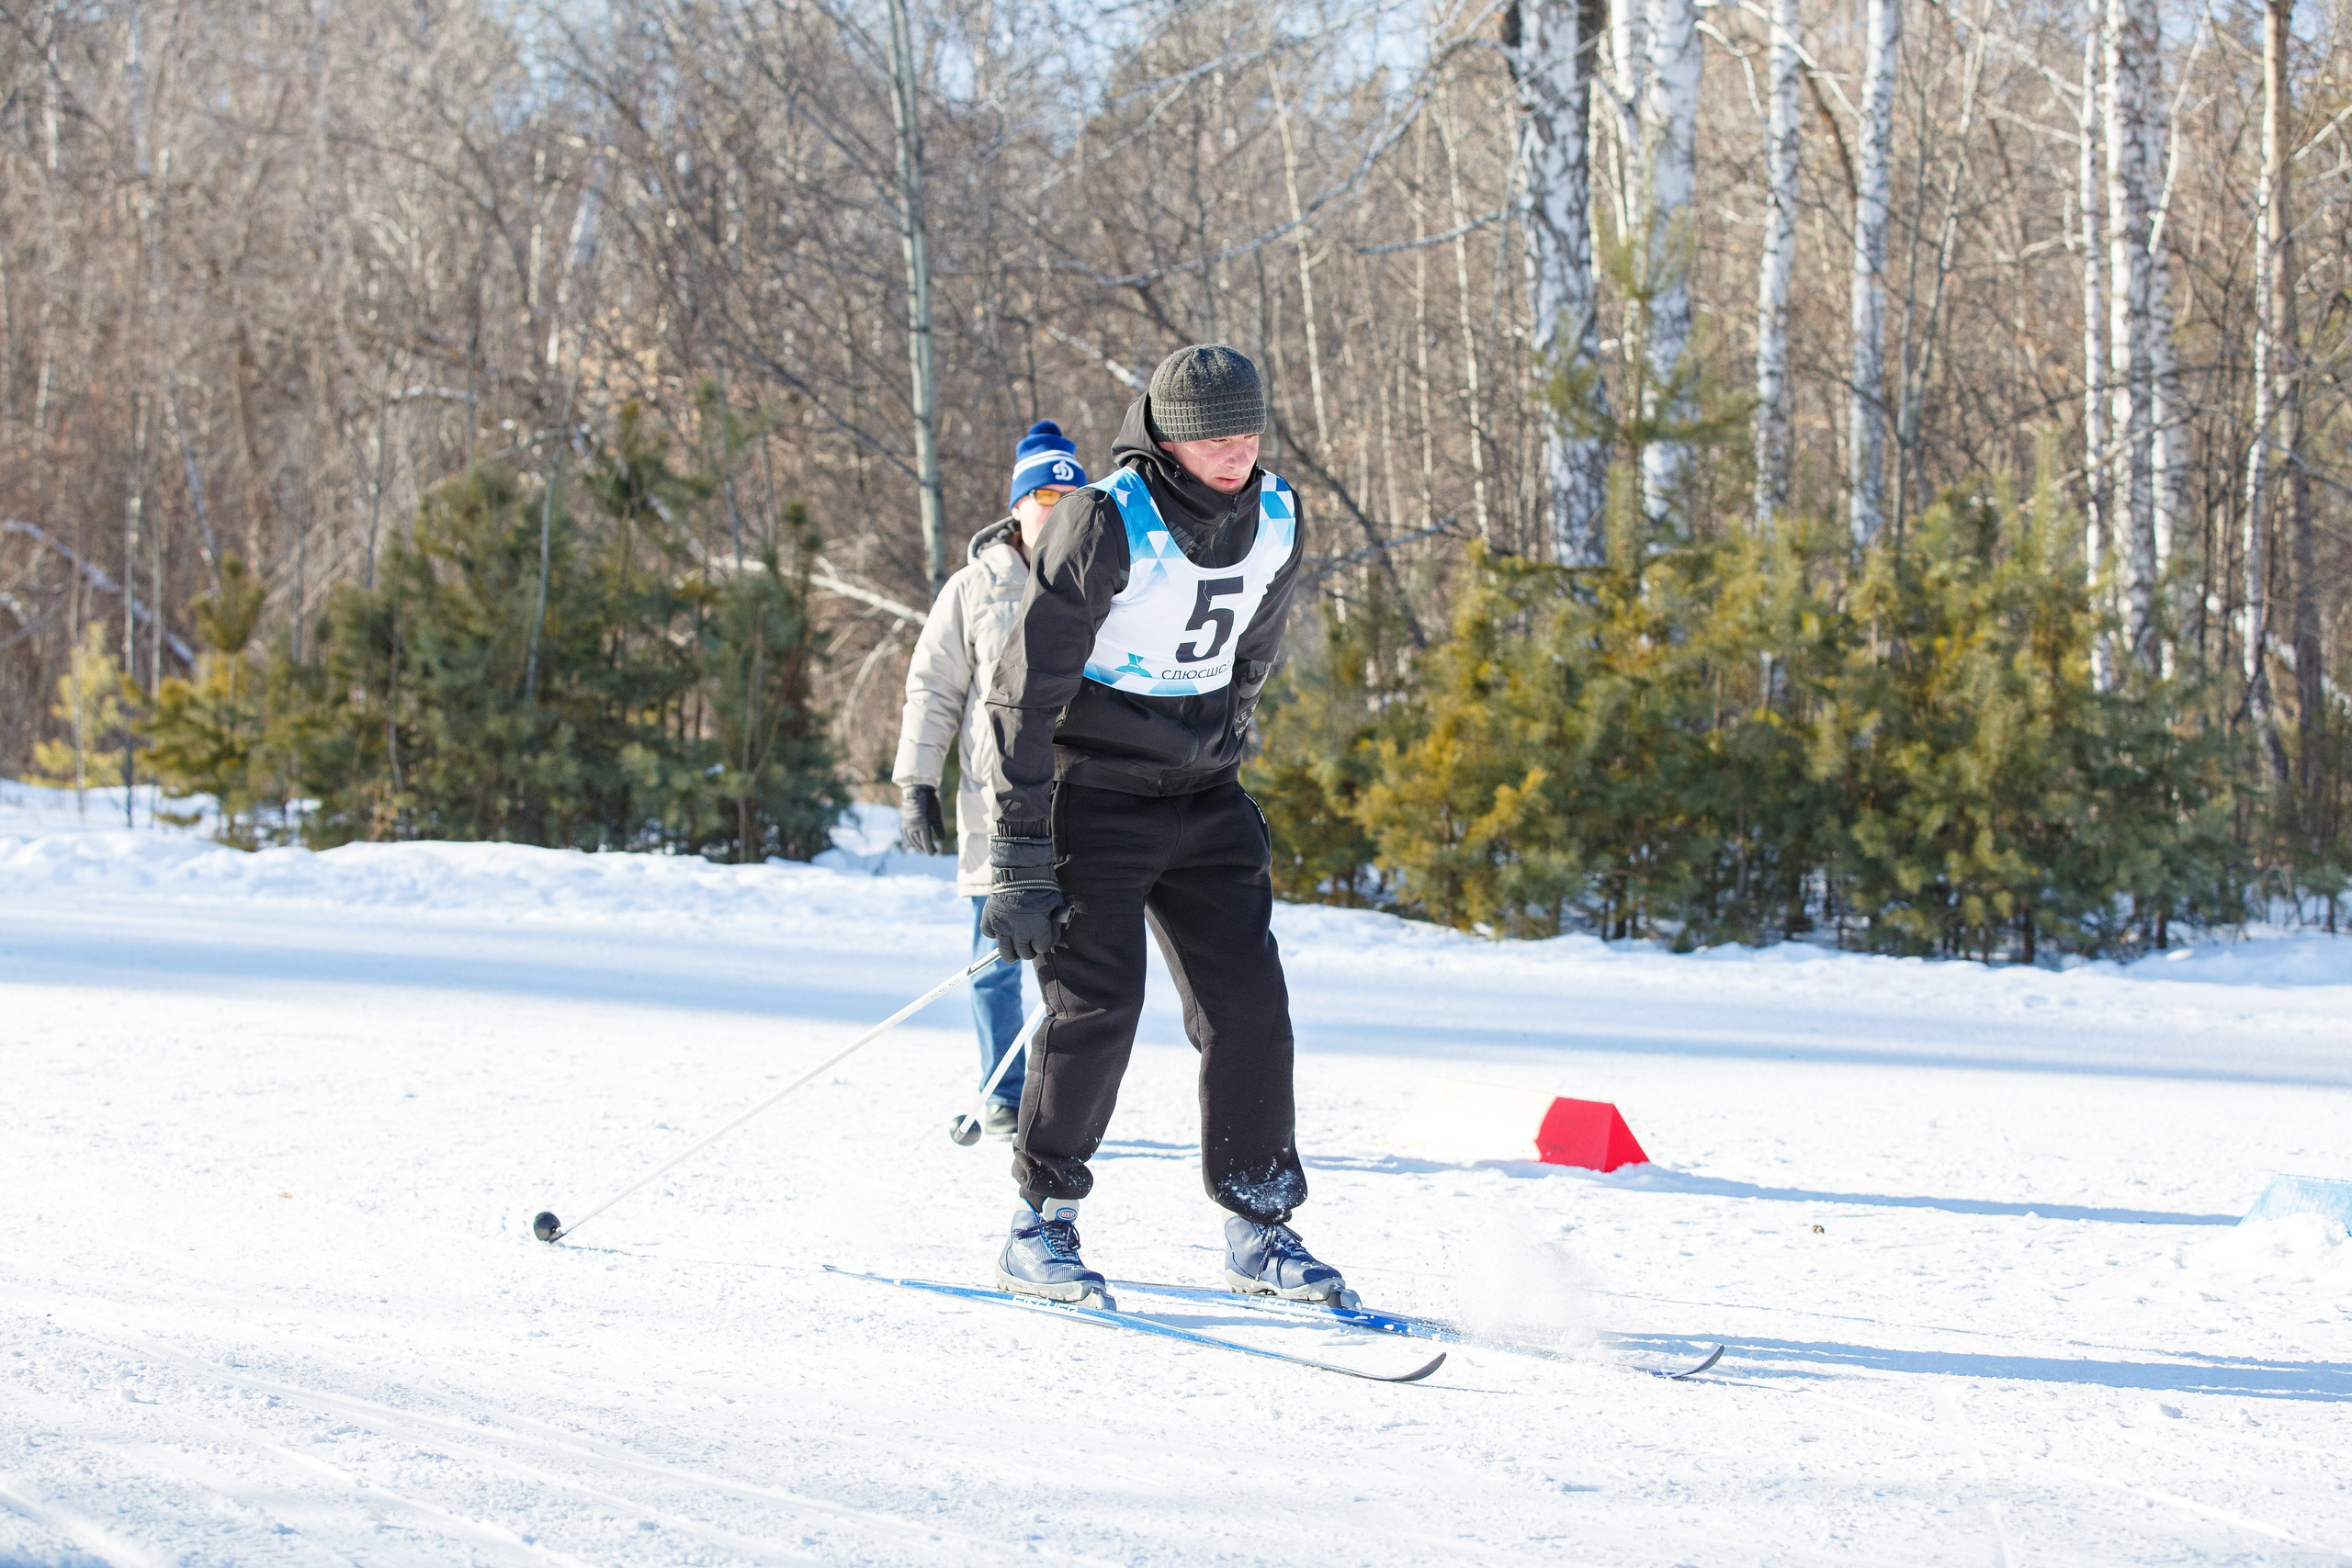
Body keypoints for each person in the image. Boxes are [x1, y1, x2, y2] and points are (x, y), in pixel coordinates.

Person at [978, 344, 1347, 1311]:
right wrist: (1016, 854)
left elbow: (1252, 648)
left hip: (1204, 799)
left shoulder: (1277, 513)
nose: (1236, 450)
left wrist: (1221, 744)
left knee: (1250, 1009)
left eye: (1249, 430)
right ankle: (1040, 1224)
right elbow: (1024, 692)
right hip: (1092, 797)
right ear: (1169, 435)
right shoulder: (1104, 519)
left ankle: (1260, 1228)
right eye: (1213, 435)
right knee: (1096, 1011)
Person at [892, 421, 1090, 1140]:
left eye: (1072, 495)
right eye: (1044, 493)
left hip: (1078, 797)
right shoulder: (973, 588)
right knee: (993, 957)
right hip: (994, 805)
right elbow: (934, 687)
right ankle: (1003, 1092)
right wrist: (916, 780)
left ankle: (1059, 1099)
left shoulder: (1097, 577)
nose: (1058, 506)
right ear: (1018, 506)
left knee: (1076, 965)